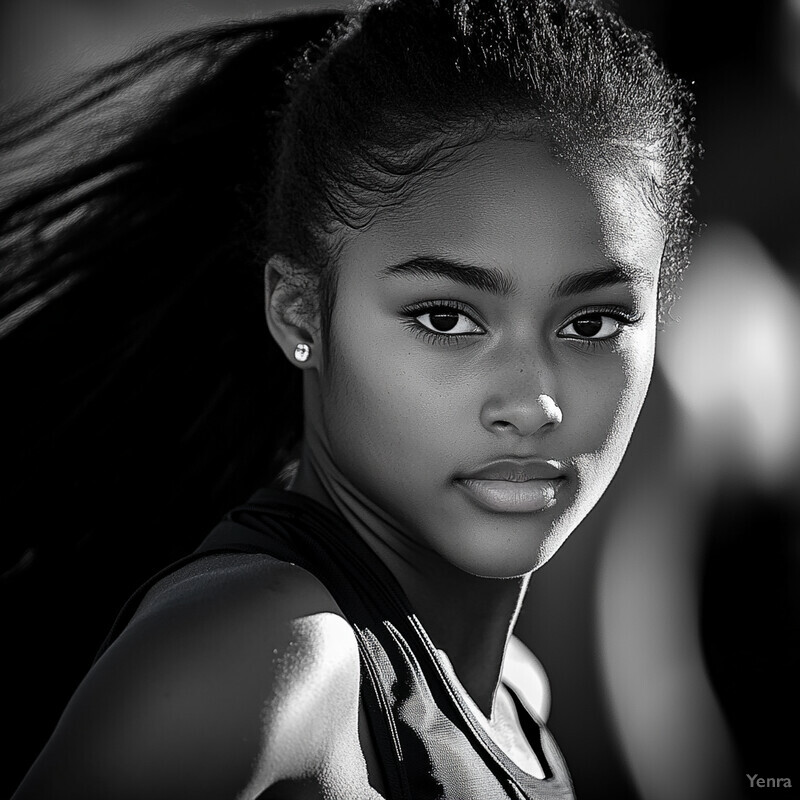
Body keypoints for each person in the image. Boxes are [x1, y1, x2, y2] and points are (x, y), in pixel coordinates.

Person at [2, 0, 698, 797]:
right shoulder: (270, 658)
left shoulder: (518, 696)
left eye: (592, 320)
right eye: (446, 318)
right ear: (299, 311)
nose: (534, 404)